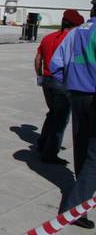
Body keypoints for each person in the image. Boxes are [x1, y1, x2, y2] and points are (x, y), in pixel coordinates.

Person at [51, 0, 96, 229]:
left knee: (81, 144)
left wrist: (69, 86)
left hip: (77, 95)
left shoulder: (76, 33)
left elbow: (56, 64)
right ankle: (75, 208)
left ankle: (82, 189)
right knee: (94, 158)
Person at [35, 10, 85, 164]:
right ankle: (50, 153)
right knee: (61, 119)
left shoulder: (48, 38)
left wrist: (40, 76)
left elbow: (38, 59)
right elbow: (77, 62)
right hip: (62, 83)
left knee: (52, 113)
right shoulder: (73, 40)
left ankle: (42, 143)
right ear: (75, 25)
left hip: (46, 80)